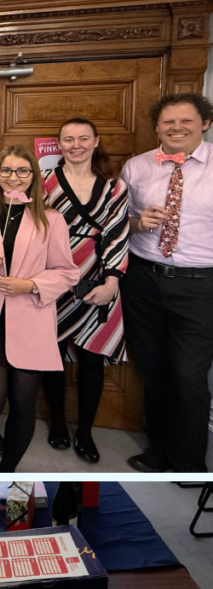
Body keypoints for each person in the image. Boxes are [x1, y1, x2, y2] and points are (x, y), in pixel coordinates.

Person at [0, 145, 78, 472]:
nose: (13, 178)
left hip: (30, 320)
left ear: (34, 177)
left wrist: (30, 285)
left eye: (22, 171)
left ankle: (7, 473)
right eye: (6, 171)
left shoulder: (51, 220)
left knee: (23, 406)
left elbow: (67, 271)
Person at [120, 93, 213, 473]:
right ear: (157, 127)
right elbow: (115, 223)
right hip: (143, 279)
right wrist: (136, 224)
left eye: (186, 121)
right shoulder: (136, 167)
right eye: (168, 122)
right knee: (152, 369)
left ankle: (188, 461)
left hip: (200, 285)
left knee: (189, 375)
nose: (176, 128)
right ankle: (157, 450)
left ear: (204, 123)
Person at [42, 118, 130, 464]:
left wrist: (112, 282)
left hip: (99, 280)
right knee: (52, 358)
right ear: (59, 144)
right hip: (53, 279)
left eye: (82, 138)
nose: (75, 144)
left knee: (92, 358)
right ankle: (58, 425)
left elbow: (118, 234)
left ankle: (85, 432)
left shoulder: (114, 187)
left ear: (96, 142)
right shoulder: (45, 183)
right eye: (68, 139)